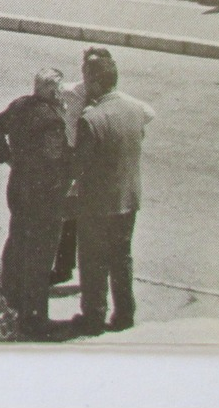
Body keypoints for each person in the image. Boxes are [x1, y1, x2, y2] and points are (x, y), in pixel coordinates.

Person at [0, 67, 70, 338]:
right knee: (40, 256)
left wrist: (6, 156)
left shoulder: (20, 105)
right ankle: (35, 318)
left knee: (17, 238)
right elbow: (54, 160)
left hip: (18, 185)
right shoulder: (52, 120)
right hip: (42, 194)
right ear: (54, 91)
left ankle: (8, 299)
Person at [72, 52, 155, 334]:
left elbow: (80, 166)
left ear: (94, 82)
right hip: (128, 198)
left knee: (93, 260)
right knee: (122, 257)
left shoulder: (91, 119)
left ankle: (94, 316)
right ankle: (125, 314)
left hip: (97, 204)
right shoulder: (135, 110)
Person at [51, 46, 114, 284]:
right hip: (72, 160)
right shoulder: (69, 92)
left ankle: (94, 274)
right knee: (68, 217)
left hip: (97, 163)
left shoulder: (111, 97)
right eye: (88, 67)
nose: (91, 73)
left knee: (94, 221)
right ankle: (64, 267)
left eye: (97, 68)